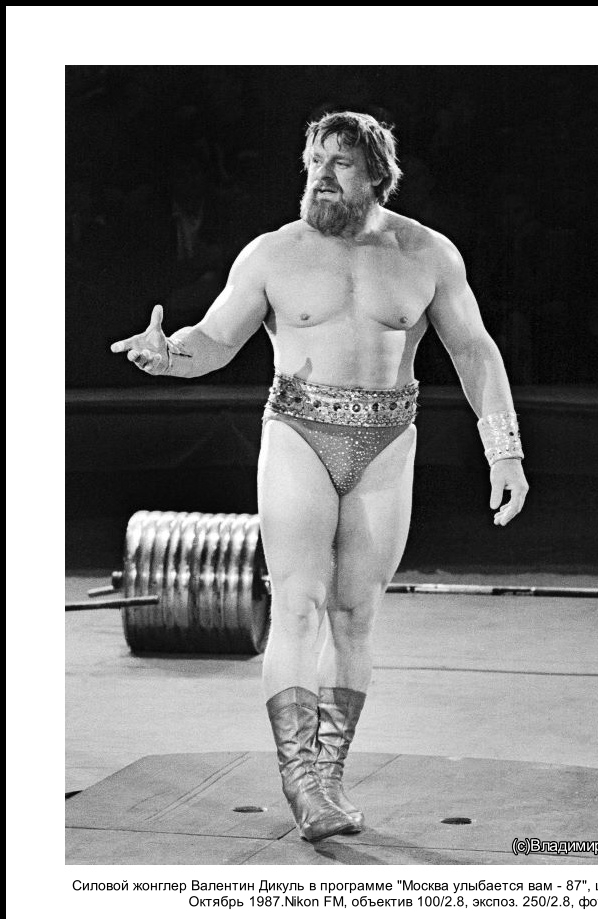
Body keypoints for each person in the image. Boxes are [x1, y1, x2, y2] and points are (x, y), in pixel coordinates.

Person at [110, 111, 529, 842]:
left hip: (387, 442)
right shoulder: (273, 253)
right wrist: (167, 355)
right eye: (314, 162)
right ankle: (300, 780)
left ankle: (328, 778)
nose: (322, 176)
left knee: (356, 614)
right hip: (299, 432)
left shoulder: (427, 253)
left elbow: (475, 352)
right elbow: (215, 340)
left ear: (376, 175)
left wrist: (505, 451)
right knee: (297, 604)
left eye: (340, 163)